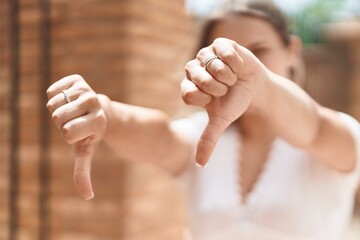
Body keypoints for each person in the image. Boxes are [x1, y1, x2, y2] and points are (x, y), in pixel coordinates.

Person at [46, 1, 360, 239]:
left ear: (292, 51)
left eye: (258, 52)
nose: (239, 72)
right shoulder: (203, 138)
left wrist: (262, 85)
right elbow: (161, 136)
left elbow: (315, 128)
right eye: (226, 61)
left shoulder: (337, 135)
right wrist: (107, 115)